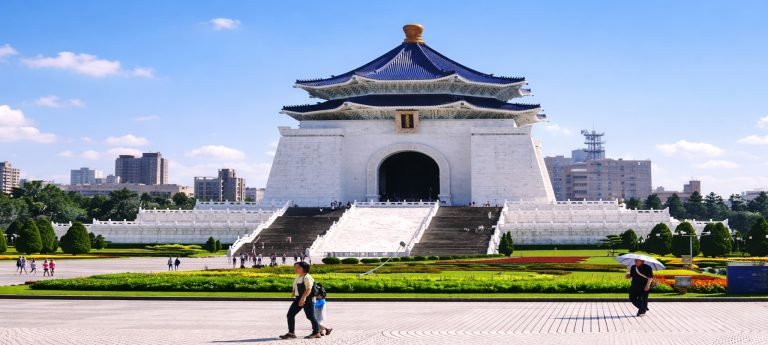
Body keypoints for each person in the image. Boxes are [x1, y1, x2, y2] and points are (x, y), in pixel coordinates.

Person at [279, 262, 321, 339]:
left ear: (304, 268)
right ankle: (291, 333)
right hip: (298, 298)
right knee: (290, 315)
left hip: (307, 299)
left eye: (298, 267)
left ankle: (316, 332)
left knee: (310, 316)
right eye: (295, 267)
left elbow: (309, 289)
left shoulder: (307, 277)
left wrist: (303, 298)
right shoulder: (298, 277)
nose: (295, 269)